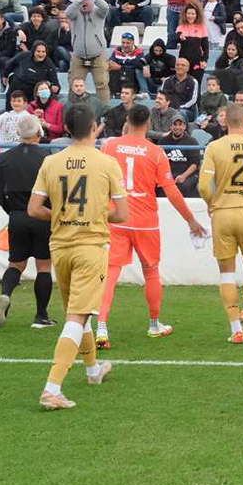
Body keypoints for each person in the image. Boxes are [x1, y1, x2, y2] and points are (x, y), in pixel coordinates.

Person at [28, 104, 130, 411]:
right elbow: (122, 214)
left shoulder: (51, 161)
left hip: (60, 246)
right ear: (95, 127)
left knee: (78, 311)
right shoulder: (107, 162)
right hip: (90, 246)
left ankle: (92, 370)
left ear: (68, 128)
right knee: (77, 316)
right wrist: (93, 217)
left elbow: (34, 208)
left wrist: (62, 217)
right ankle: (52, 388)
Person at [98, 104, 208, 347]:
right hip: (145, 222)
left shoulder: (109, 146)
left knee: (112, 271)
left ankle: (102, 328)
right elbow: (172, 192)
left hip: (116, 217)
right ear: (148, 124)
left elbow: (97, 181)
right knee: (151, 271)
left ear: (127, 120)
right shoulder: (156, 152)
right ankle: (154, 325)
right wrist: (191, 220)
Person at [199, 103, 243, 344]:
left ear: (225, 121)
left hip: (223, 213)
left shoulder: (214, 147)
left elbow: (202, 186)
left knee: (227, 274)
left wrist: (212, 202)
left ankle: (235, 330)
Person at [0, 114, 56, 329]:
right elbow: (55, 190)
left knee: (15, 264)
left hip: (17, 216)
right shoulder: (47, 158)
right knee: (44, 266)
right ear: (39, 133)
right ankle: (41, 315)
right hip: (42, 215)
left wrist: (11, 210)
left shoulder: (5, 158)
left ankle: (6, 295)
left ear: (18, 133)